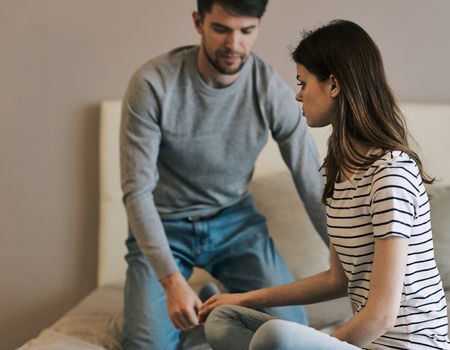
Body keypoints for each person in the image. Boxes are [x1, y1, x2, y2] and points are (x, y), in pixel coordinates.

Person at [200, 19, 450, 350]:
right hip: (366, 345)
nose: (298, 95)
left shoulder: (391, 174)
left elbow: (381, 316)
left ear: (333, 85)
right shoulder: (336, 172)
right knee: (225, 319)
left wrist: (321, 344)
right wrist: (245, 298)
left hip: (408, 347)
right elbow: (337, 279)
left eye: (303, 82)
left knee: (276, 337)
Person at [119, 0, 329, 349]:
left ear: (259, 26)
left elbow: (310, 179)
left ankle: (215, 308)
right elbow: (137, 192)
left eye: (246, 31)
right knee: (145, 346)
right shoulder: (152, 83)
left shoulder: (269, 89)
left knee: (294, 338)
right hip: (166, 224)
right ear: (198, 22)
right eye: (221, 29)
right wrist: (171, 282)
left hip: (236, 225)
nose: (234, 44)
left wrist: (353, 260)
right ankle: (207, 306)